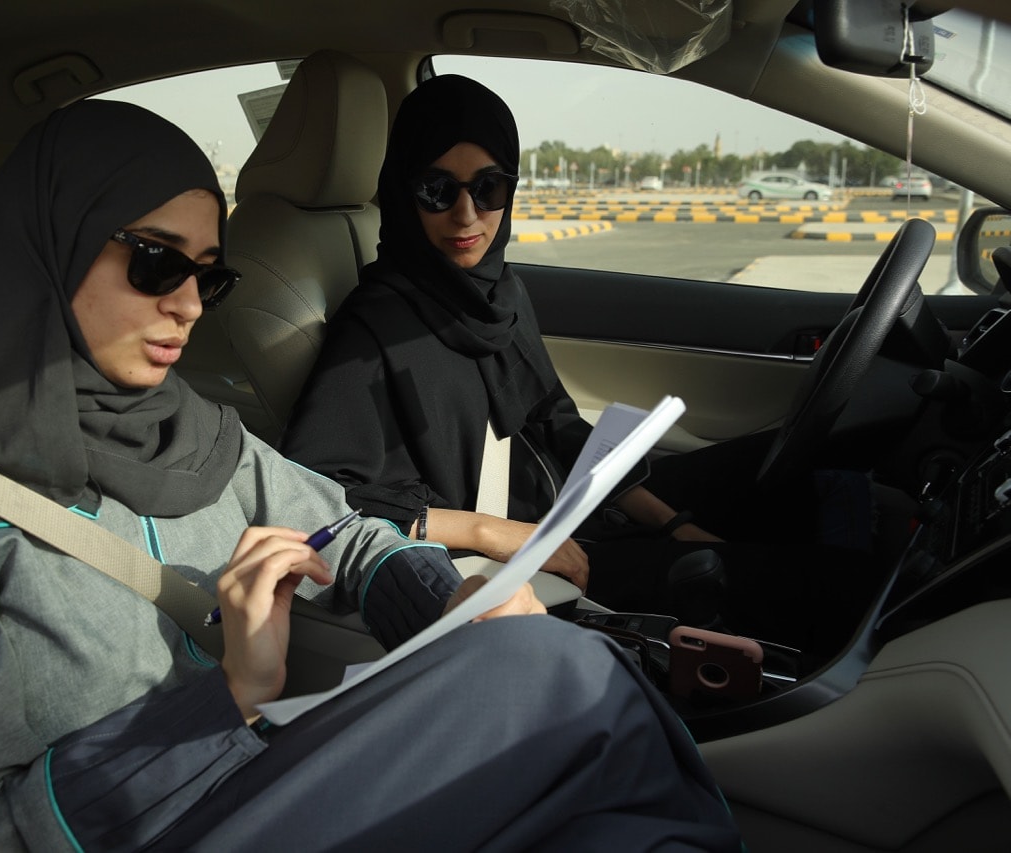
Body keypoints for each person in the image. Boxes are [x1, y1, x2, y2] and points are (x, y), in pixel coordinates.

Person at [0, 99, 740, 851]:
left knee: (587, 775)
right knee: (557, 682)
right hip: (165, 817)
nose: (185, 307)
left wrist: (450, 602)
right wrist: (227, 698)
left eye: (206, 278)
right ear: (50, 247)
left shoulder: (195, 432)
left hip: (263, 770)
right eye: (153, 262)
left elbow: (354, 533)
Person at [281, 75, 884, 656]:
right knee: (821, 583)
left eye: (488, 187)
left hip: (566, 508)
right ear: (402, 194)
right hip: (501, 562)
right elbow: (320, 496)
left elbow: (553, 421)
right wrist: (498, 534)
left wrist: (671, 522)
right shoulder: (374, 326)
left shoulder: (499, 293)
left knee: (801, 470)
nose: (466, 216)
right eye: (436, 190)